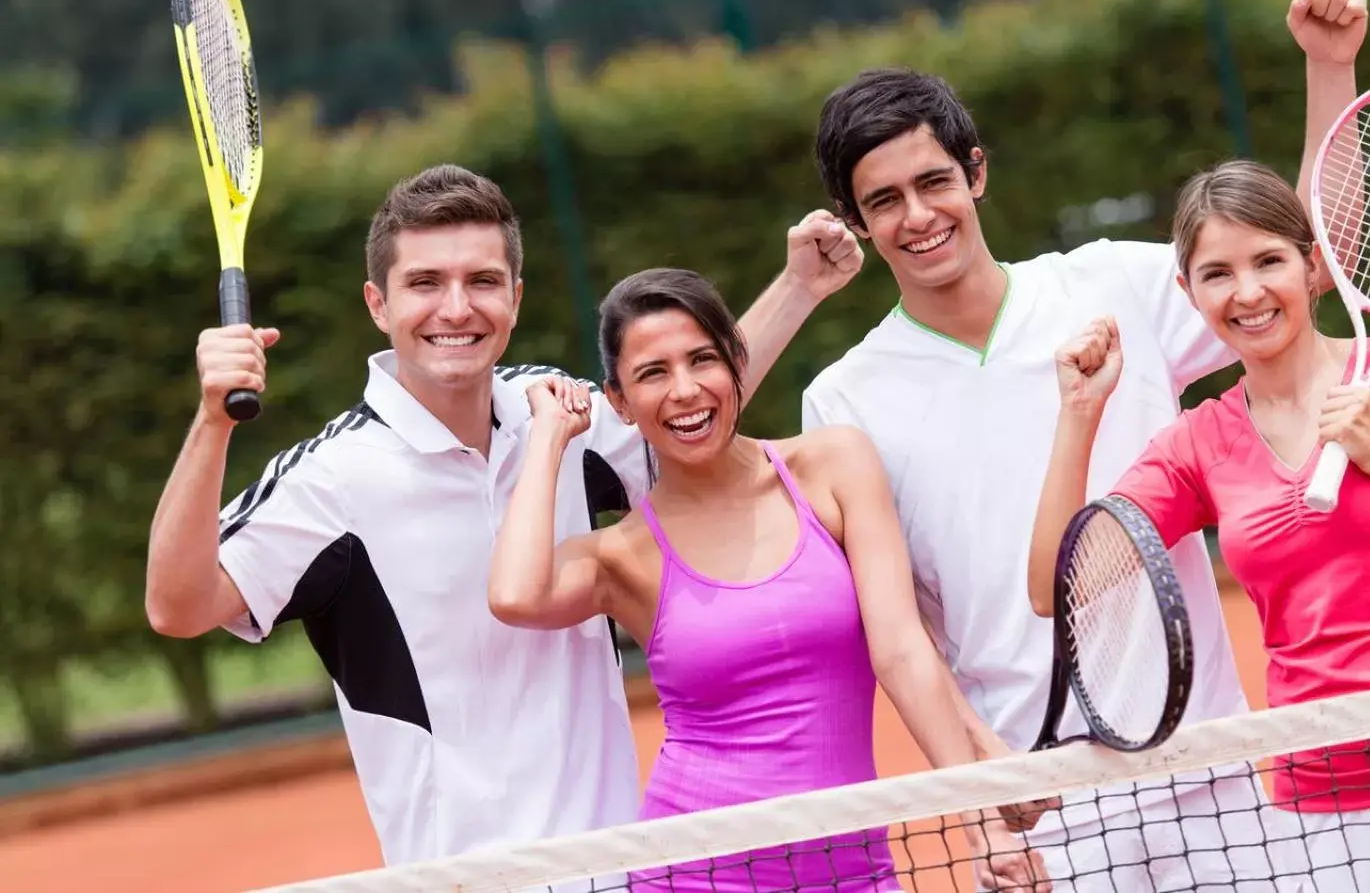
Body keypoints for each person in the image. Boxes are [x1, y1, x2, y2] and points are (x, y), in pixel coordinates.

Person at [799, 0, 1369, 892]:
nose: (918, 217)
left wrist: (1329, 68)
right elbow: (902, 632)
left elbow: (1316, 261)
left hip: (1204, 760)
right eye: (884, 201)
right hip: (1044, 799)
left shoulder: (1115, 284)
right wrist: (984, 797)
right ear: (858, 223)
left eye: (934, 181)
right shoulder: (844, 399)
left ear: (976, 172)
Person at [144, 164, 867, 869]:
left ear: (515, 298)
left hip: (626, 864)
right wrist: (213, 421)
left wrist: (799, 288)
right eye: (425, 283)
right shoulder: (329, 480)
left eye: (482, 281)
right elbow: (179, 606)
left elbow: (690, 406)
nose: (456, 308)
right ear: (377, 303)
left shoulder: (552, 409)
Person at [1027, 159, 1370, 893]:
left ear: (1313, 267)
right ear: (1188, 293)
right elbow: (1056, 587)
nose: (1246, 293)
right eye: (1216, 273)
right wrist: (1079, 414)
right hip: (1321, 802)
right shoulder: (1198, 443)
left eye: (1269, 261)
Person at [487, 266, 1047, 893]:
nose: (685, 390)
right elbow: (515, 594)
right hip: (695, 872)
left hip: (856, 870)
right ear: (618, 402)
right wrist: (549, 439)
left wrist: (979, 820)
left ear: (736, 363)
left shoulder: (833, 464)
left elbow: (903, 650)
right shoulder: (622, 555)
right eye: (652, 373)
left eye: (703, 359)